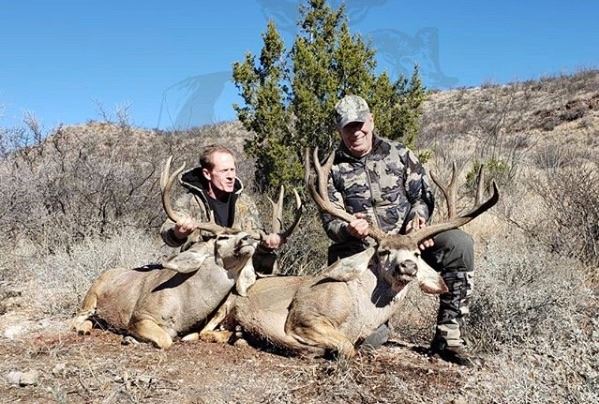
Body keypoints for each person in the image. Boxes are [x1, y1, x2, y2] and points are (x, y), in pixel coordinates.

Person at [320, 95, 476, 366]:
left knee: (458, 244)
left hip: (408, 242)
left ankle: (448, 336)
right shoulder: (329, 168)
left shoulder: (400, 154)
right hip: (365, 251)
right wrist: (348, 228)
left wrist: (418, 220)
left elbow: (422, 197)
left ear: (371, 121)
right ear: (339, 130)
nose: (356, 132)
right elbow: (329, 221)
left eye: (360, 124)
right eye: (348, 127)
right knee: (367, 340)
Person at [161, 144, 283, 273]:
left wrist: (267, 243)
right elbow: (167, 232)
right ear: (207, 174)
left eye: (232, 170)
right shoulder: (190, 201)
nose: (231, 176)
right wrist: (178, 233)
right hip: (204, 266)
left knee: (270, 261)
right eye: (224, 171)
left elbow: (256, 235)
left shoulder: (244, 202)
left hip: (238, 263)